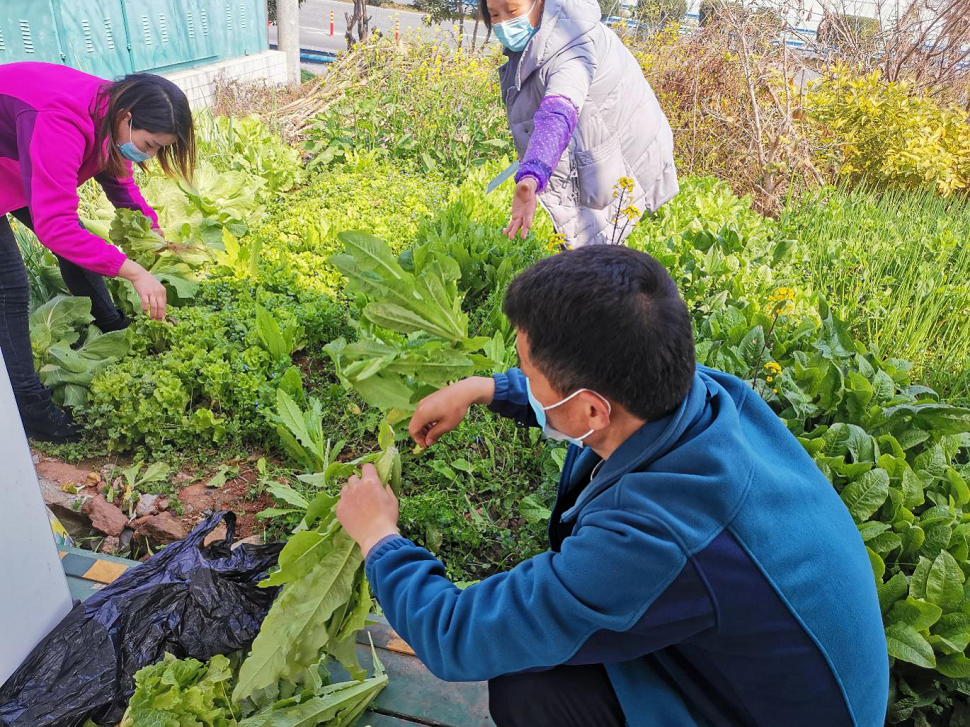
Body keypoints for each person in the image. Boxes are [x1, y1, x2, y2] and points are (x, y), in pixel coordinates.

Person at [335, 246, 889, 726]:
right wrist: (489, 389)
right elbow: (587, 408)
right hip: (780, 675)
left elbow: (456, 636)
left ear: (592, 408)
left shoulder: (656, 537)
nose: (523, 379)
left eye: (528, 374)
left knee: (529, 688)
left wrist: (379, 538)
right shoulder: (701, 394)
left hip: (779, 714)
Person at [0, 63, 195, 442]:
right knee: (10, 285)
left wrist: (150, 232)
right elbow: (55, 226)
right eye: (149, 145)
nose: (150, 156)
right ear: (127, 117)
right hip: (15, 147)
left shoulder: (112, 108)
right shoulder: (62, 119)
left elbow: (120, 185)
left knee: (78, 245)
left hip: (13, 149)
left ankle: (112, 325)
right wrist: (133, 271)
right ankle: (31, 408)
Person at [484, 0, 679, 246]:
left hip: (631, 147)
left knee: (599, 238)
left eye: (512, 11)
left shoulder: (572, 46)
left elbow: (558, 112)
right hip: (600, 140)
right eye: (494, 14)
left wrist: (533, 173)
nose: (503, 23)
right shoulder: (542, 37)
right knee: (590, 242)